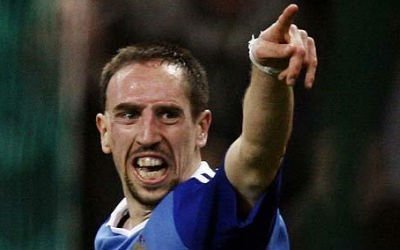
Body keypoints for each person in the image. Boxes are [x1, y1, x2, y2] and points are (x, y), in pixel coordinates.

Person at [94, 4, 317, 250]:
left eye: (168, 115)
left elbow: (257, 155)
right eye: (130, 115)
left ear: (201, 128)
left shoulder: (211, 206)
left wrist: (268, 70)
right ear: (105, 132)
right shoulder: (110, 234)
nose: (148, 135)